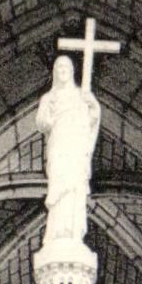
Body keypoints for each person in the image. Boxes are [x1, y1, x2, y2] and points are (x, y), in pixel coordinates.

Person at [36, 56, 100, 245]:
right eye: (59, 67)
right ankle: (57, 230)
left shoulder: (81, 96)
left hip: (75, 146)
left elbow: (91, 120)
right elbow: (41, 122)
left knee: (74, 185)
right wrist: (49, 120)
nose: (62, 70)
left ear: (72, 71)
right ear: (55, 72)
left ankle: (73, 230)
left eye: (66, 67)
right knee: (59, 182)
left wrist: (94, 106)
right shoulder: (49, 98)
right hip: (58, 144)